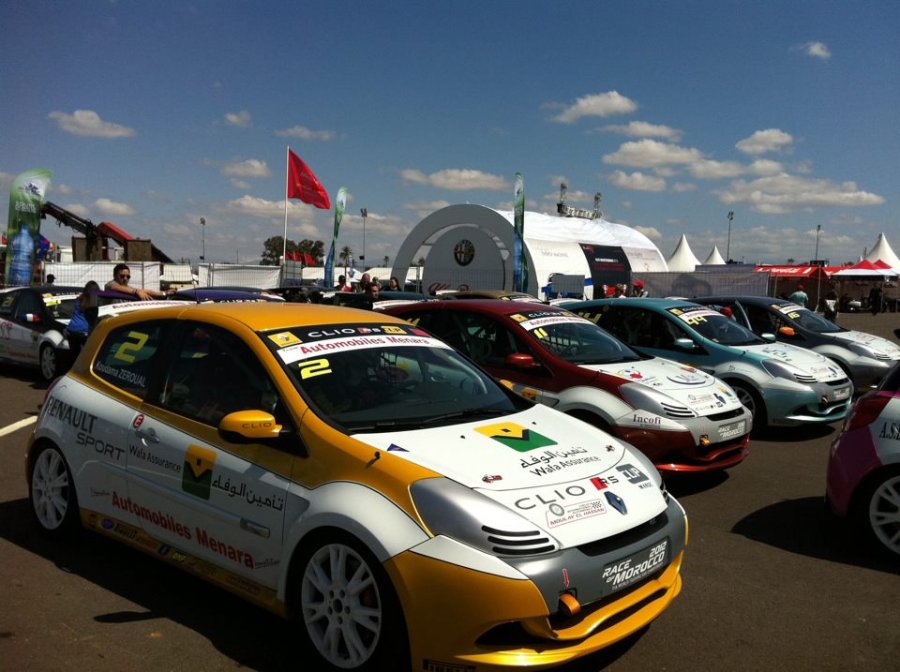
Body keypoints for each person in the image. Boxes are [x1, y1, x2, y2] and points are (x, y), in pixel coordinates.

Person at [65, 281, 99, 360]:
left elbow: (74, 314)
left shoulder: (79, 299)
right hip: (84, 331)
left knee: (75, 356)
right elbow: (93, 320)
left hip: (71, 329)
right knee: (89, 356)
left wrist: (67, 328)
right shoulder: (93, 302)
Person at [106, 263, 174, 300]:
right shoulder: (110, 285)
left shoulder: (129, 289)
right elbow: (115, 287)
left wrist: (165, 293)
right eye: (122, 276)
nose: (125, 279)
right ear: (114, 276)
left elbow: (146, 291)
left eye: (128, 276)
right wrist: (137, 292)